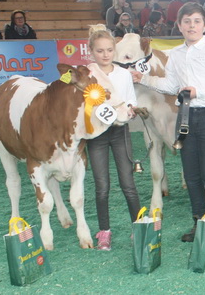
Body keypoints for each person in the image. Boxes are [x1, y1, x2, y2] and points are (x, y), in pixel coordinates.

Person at [132, 2, 205, 246]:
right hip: (185, 117)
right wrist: (143, 79)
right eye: (186, 21)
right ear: (178, 25)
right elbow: (171, 86)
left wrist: (198, 91)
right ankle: (199, 221)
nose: (192, 25)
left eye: (196, 21)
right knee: (191, 174)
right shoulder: (175, 54)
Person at [85, 25, 141, 251]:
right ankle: (104, 232)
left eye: (109, 50)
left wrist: (130, 110)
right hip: (96, 135)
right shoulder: (86, 75)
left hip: (119, 132)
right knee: (102, 186)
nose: (105, 54)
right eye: (100, 51)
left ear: (114, 51)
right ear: (92, 52)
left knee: (128, 183)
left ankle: (139, 227)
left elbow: (131, 101)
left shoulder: (123, 74)